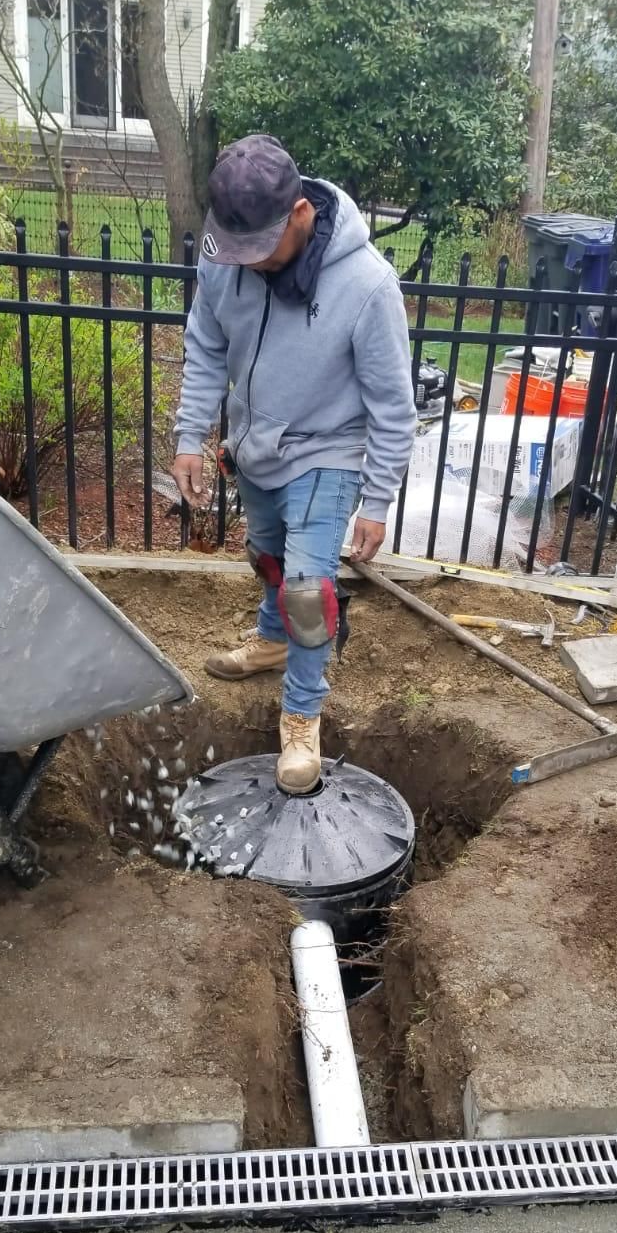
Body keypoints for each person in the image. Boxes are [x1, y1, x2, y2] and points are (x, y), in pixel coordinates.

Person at [172, 133, 416, 795]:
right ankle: (273, 641)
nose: (246, 263)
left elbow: (393, 404)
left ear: (301, 214)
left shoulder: (366, 286)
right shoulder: (225, 258)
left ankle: (303, 716)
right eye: (236, 248)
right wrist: (190, 436)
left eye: (260, 249)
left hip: (326, 451)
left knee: (308, 590)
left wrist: (377, 499)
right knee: (270, 561)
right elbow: (205, 346)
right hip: (256, 445)